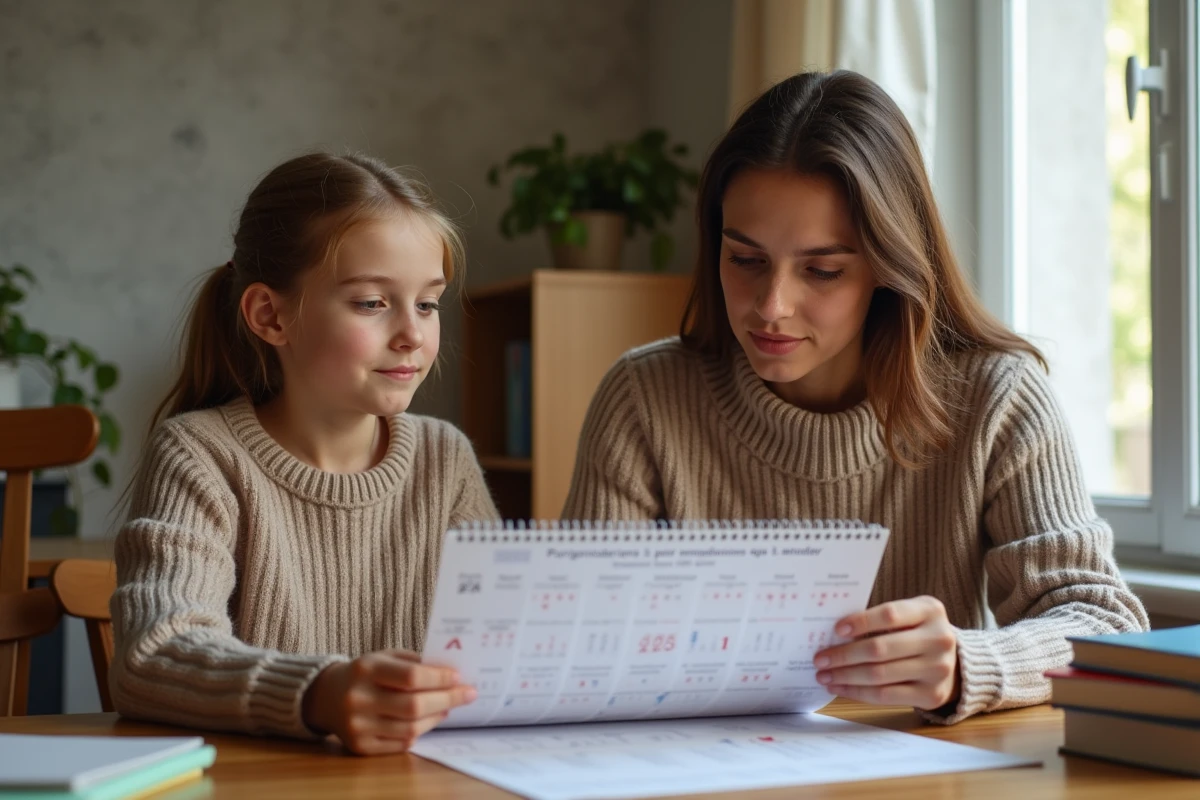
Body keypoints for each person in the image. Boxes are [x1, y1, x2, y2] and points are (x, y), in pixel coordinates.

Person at [563, 71, 1148, 723]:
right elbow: (573, 641)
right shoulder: (644, 397)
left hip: (930, 774)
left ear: (889, 266)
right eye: (744, 259)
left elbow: (1106, 624)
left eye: (822, 270)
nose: (771, 307)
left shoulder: (998, 397)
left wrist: (967, 663)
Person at [111, 152, 492, 754]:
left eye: (427, 303)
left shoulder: (446, 459)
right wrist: (320, 693)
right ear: (270, 315)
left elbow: (498, 648)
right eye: (372, 302)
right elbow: (153, 654)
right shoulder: (201, 454)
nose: (413, 335)